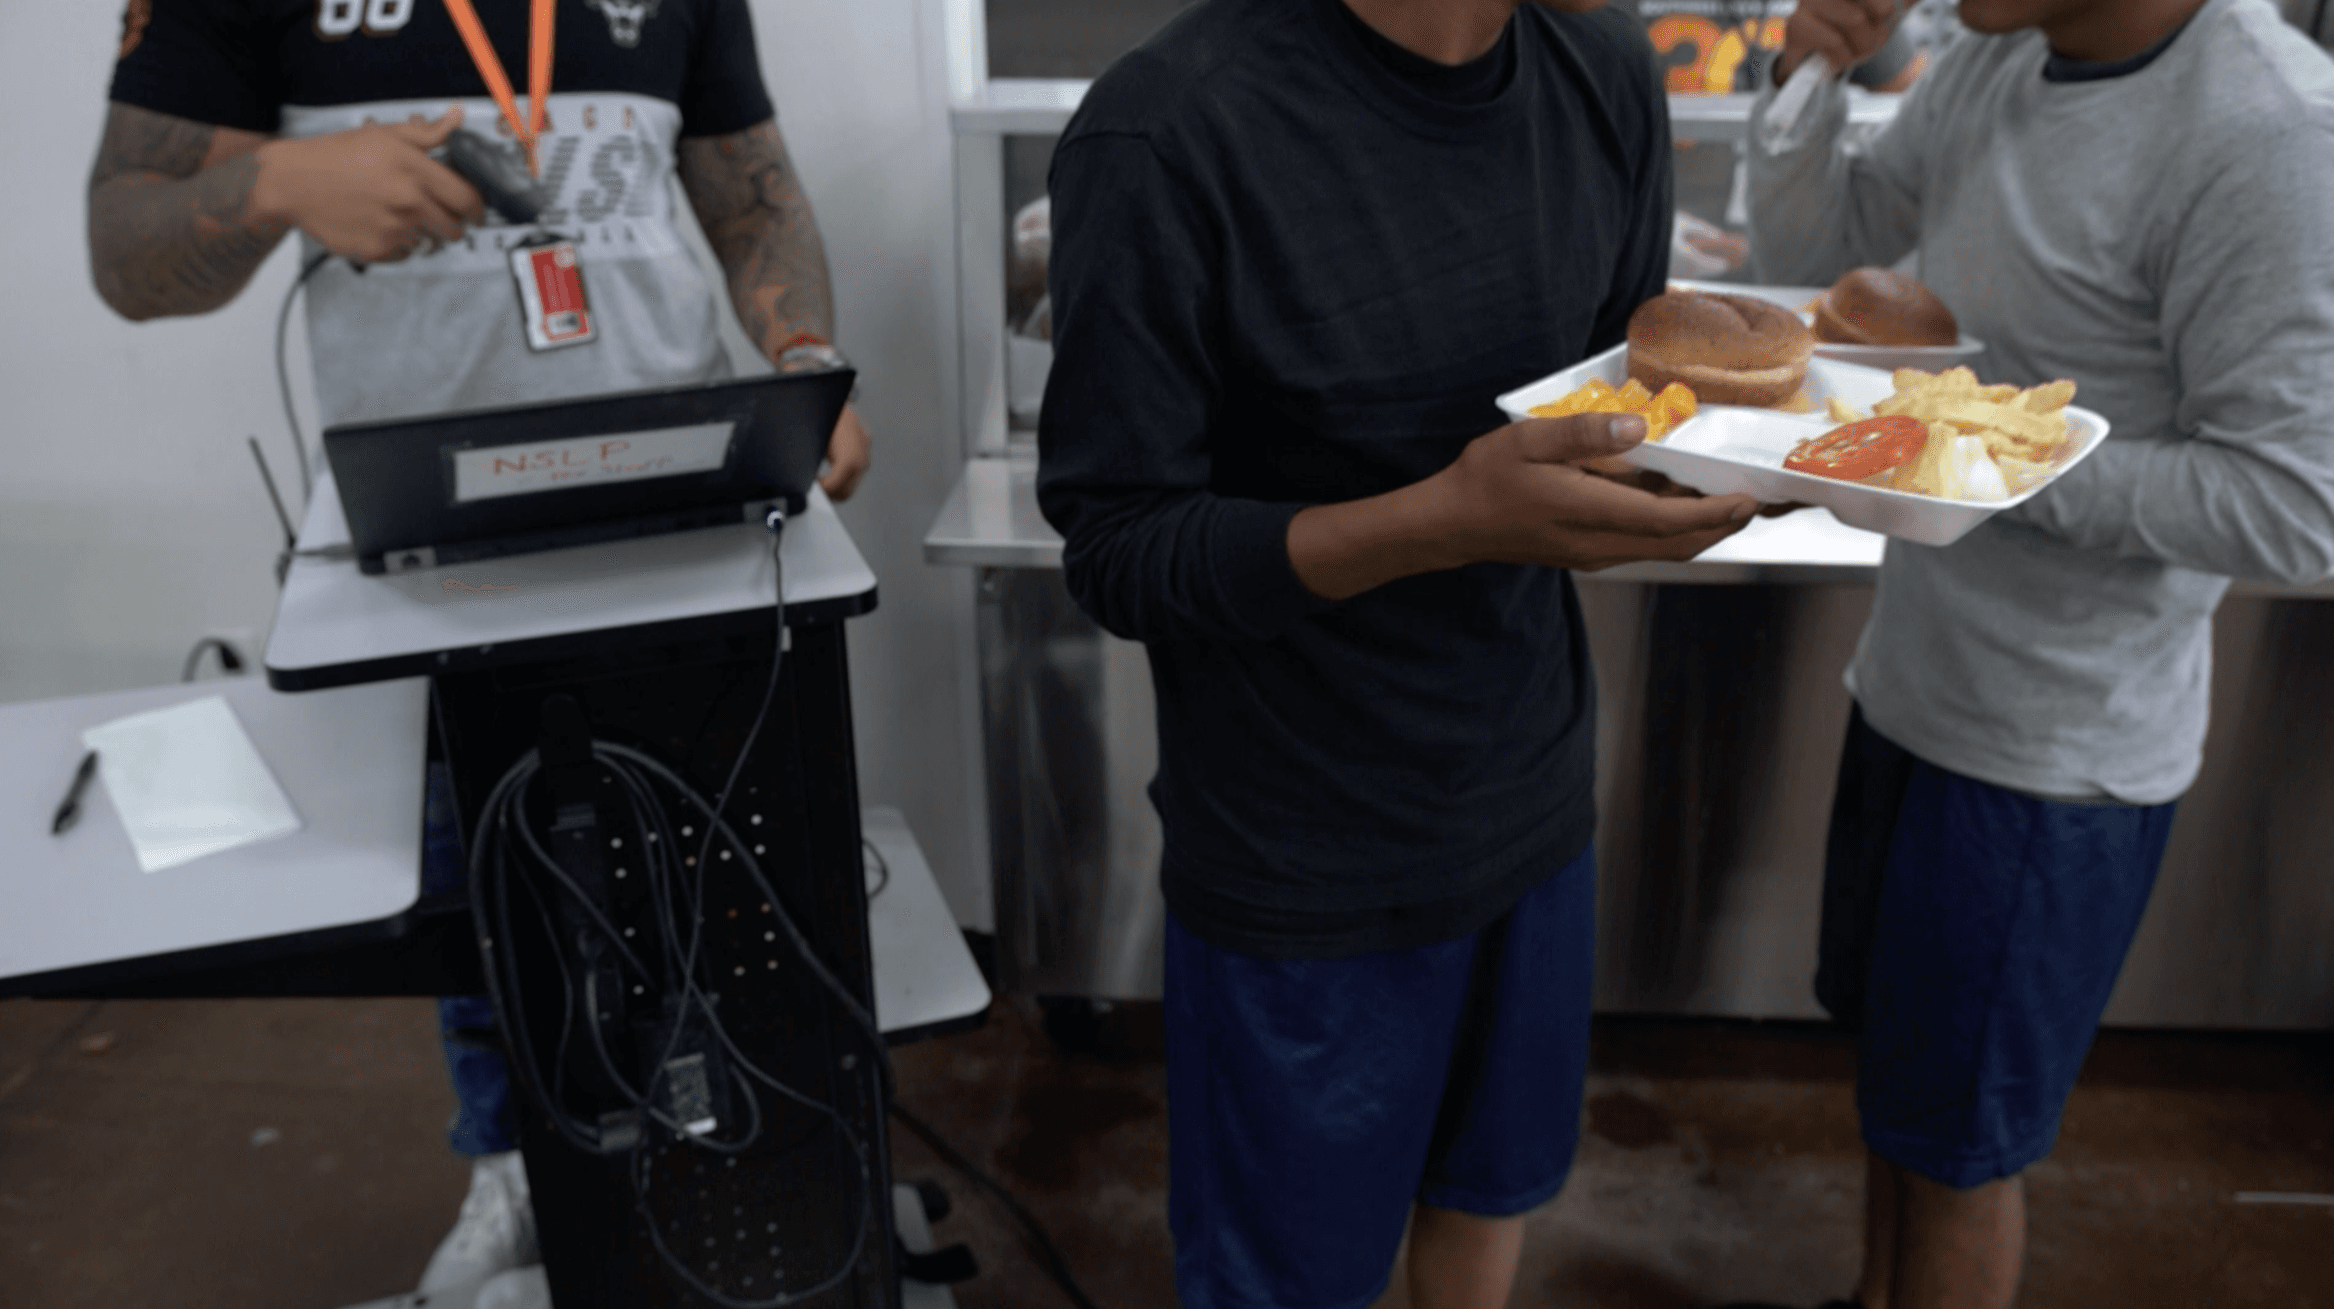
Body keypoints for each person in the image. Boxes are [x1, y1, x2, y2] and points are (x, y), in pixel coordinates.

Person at [88, 1, 869, 1301]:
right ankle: (512, 1159)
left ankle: (717, 1157)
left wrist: (805, 352)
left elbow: (749, 187)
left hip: (676, 510)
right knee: (483, 892)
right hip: (427, 549)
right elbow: (126, 247)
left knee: (707, 871)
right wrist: (278, 179)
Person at [1036, 0, 1762, 1305]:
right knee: (1290, 1278)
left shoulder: (1600, 72)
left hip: (1532, 802)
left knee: (1488, 1198)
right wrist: (1446, 521)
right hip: (1301, 862)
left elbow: (1606, 402)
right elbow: (1121, 550)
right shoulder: (1167, 130)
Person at [1732, 1, 2334, 1306]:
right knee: (1900, 1092)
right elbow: (1814, 250)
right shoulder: (2002, 55)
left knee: (1960, 1155)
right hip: (1908, 685)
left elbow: (2295, 502)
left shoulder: (2275, 134)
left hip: (2050, 762)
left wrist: (1984, 453)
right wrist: (1804, 75)